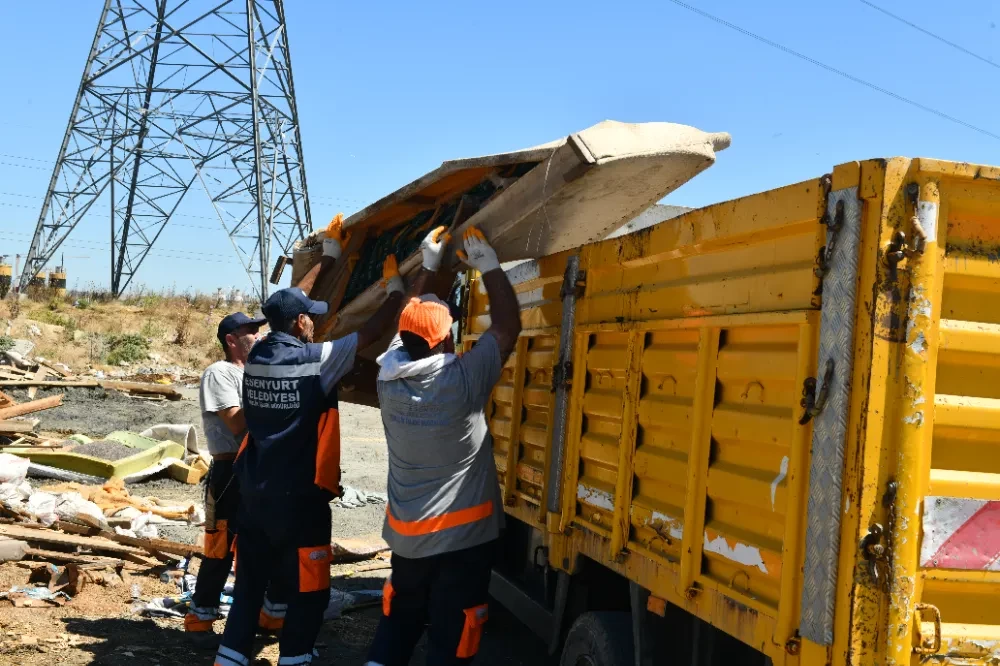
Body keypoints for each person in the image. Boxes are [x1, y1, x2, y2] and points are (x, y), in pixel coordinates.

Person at [214, 224, 450, 666]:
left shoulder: (258, 358)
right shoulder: (314, 361)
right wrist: (397, 291)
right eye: (311, 317)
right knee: (310, 588)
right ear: (301, 322)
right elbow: (374, 330)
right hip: (300, 501)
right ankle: (296, 658)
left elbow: (278, 307)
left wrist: (327, 257)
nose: (315, 322)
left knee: (248, 586)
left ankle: (229, 659)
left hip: (254, 496)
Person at [365, 227, 521, 666]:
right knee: (453, 634)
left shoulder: (387, 378)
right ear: (447, 340)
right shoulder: (461, 382)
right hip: (461, 543)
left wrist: (430, 267)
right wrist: (488, 264)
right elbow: (509, 326)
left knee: (400, 619)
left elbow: (408, 326)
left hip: (408, 538)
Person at [186, 312, 290, 647]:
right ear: (231, 340)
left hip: (260, 467)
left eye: (260, 331)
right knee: (220, 549)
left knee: (267, 544)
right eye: (250, 332)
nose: (258, 336)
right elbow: (236, 423)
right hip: (231, 471)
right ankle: (201, 619)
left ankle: (271, 614)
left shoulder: (254, 372)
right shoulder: (220, 373)